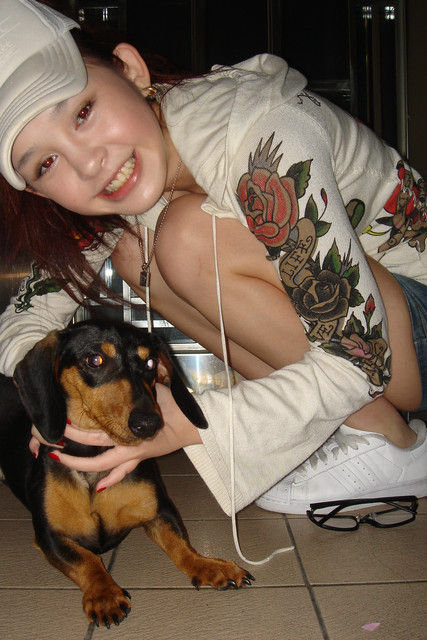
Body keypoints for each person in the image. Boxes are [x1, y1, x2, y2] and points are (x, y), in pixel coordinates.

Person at [0, 0, 426, 516]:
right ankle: (353, 424)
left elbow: (364, 360)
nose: (88, 164)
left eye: (83, 112)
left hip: (405, 334)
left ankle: (390, 441)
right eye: (46, 163)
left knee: (183, 236)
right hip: (386, 349)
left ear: (130, 71)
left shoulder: (261, 134)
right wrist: (52, 399)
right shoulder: (127, 179)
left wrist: (195, 421)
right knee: (137, 252)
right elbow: (25, 317)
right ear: (38, 190)